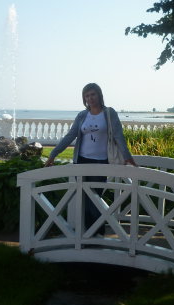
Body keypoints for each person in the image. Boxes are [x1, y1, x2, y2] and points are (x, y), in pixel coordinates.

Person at [44, 83, 136, 236]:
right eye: (87, 96)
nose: (90, 98)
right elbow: (70, 136)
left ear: (99, 95)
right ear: (84, 98)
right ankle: (88, 234)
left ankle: (97, 233)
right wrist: (54, 153)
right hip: (81, 161)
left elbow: (118, 136)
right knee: (84, 198)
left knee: (95, 198)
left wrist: (127, 157)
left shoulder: (109, 113)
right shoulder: (82, 115)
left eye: (93, 94)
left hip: (100, 161)